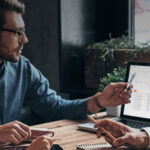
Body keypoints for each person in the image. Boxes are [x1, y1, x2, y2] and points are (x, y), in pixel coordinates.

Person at [0, 0, 131, 146]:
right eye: (18, 32)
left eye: (23, 32)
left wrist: (99, 101)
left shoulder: (22, 68)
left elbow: (55, 108)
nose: (25, 39)